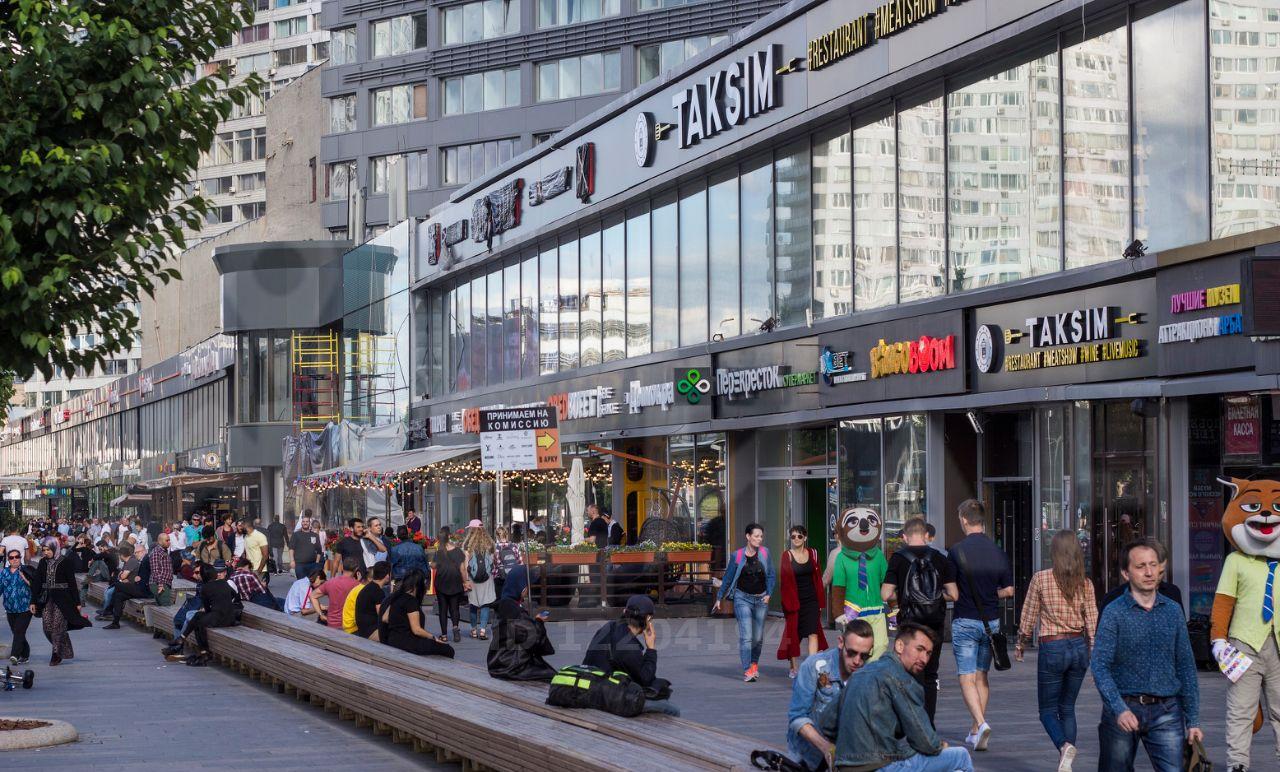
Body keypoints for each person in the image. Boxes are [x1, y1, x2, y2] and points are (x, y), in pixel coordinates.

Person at [1091, 539, 1201, 772]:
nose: (1149, 572)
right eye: (1140, 566)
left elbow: (1186, 666)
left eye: (1153, 565)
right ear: (1125, 573)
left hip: (1167, 711)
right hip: (1123, 707)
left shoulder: (1173, 610)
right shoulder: (1114, 612)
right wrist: (1118, 708)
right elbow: (1100, 665)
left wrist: (1193, 720)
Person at [817, 623, 974, 772]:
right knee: (960, 756)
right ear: (899, 646)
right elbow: (925, 740)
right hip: (881, 765)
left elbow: (826, 723)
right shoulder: (902, 679)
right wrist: (938, 746)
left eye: (928, 653)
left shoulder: (859, 675)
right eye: (919, 649)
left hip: (845, 765)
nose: (924, 659)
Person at [1211, 476, 1280, 772]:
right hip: (1244, 645)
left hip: (1278, 647)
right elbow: (1223, 602)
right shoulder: (1235, 561)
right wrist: (1218, 639)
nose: (1266, 515)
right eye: (1255, 507)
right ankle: (1238, 765)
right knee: (1240, 711)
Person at [1016, 530, 1098, 772]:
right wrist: (1095, 654)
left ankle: (1064, 746)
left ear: (1053, 552)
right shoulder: (1086, 584)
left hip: (1052, 646)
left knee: (1047, 710)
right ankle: (1066, 758)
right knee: (1068, 707)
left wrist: (1020, 643)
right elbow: (1092, 622)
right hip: (1078, 647)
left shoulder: (1041, 579)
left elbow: (1029, 615)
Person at [948, 498, 1014, 751]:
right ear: (982, 520)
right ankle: (976, 730)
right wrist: (991, 595)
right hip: (991, 623)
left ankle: (980, 723)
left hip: (965, 619)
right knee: (982, 676)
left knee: (966, 677)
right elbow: (1008, 590)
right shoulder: (998, 551)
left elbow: (952, 593)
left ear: (964, 520)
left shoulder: (956, 552)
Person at [882, 517, 959, 724]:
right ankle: (928, 723)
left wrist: (907, 597)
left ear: (905, 536)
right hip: (934, 624)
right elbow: (954, 594)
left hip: (910, 625)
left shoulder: (898, 558)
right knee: (931, 674)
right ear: (926, 535)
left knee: (909, 672)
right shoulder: (941, 559)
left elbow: (885, 593)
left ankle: (911, 721)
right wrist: (932, 597)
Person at [786, 620, 876, 771]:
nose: (857, 661)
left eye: (864, 656)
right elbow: (796, 717)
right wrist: (826, 747)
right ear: (841, 643)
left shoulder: (869, 675)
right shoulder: (814, 666)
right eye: (852, 653)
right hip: (806, 756)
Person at [583, 594, 680, 716]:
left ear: (625, 612)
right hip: (605, 697)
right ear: (648, 619)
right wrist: (651, 648)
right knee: (672, 710)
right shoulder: (628, 645)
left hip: (592, 688)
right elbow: (645, 679)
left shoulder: (609, 627)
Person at [713, 522, 776, 682]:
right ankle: (747, 670)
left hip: (761, 598)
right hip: (742, 598)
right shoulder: (737, 555)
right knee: (747, 636)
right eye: (756, 536)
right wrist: (719, 597)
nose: (759, 539)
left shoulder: (765, 553)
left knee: (758, 637)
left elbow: (771, 575)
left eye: (761, 536)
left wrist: (769, 594)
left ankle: (754, 664)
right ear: (748, 537)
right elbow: (727, 578)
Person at [829, 507, 890, 661]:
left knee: (881, 644)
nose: (863, 525)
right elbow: (838, 587)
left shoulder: (878, 556)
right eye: (853, 521)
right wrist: (838, 612)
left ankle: (866, 671)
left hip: (876, 610)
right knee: (856, 648)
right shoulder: (842, 558)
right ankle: (857, 675)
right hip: (853, 612)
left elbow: (887, 581)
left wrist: (895, 605)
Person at [778, 525, 828, 680]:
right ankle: (793, 667)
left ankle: (811, 668)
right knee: (794, 635)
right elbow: (784, 582)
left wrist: (820, 600)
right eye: (793, 536)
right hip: (794, 601)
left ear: (805, 538)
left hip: (811, 600)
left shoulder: (813, 553)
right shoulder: (787, 556)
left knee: (813, 632)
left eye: (799, 536)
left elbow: (818, 577)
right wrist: (787, 605)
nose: (796, 539)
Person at [169, 561, 242, 665]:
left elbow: (209, 608)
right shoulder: (222, 583)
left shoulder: (211, 587)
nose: (218, 574)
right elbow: (234, 596)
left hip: (223, 617)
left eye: (199, 573)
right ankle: (185, 641)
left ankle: (201, 650)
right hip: (226, 615)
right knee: (197, 616)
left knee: (198, 622)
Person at [32, 541, 86, 665]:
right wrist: (33, 601)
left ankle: (55, 654)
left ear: (54, 548)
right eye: (44, 550)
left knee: (57, 626)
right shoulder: (42, 562)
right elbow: (37, 582)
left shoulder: (65, 562)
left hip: (63, 598)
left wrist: (77, 602)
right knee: (47, 627)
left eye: (48, 550)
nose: (46, 552)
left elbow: (72, 582)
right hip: (47, 598)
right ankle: (64, 648)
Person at [380, 568, 455, 657]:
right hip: (407, 643)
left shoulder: (396, 597)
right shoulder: (411, 601)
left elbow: (384, 618)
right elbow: (416, 630)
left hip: (393, 640)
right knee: (449, 650)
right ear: (418, 586)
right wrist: (433, 637)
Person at [1099, 537, 1183, 611]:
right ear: (1126, 573)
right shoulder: (1112, 601)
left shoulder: (1173, 594)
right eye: (1141, 566)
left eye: (1161, 572)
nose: (1151, 574)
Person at [487, 597, 557, 682]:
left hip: (496, 668)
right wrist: (539, 621)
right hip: (514, 668)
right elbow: (537, 640)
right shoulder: (518, 623)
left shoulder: (500, 623)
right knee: (553, 676)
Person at [462, 522, 497, 640]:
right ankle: (482, 630)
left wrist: (466, 580)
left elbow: (466, 563)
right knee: (485, 604)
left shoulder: (468, 545)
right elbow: (492, 561)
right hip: (487, 578)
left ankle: (473, 630)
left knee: (473, 604)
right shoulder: (490, 544)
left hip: (472, 579)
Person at [433, 528, 467, 642]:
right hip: (455, 581)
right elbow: (462, 569)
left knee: (443, 609)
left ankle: (444, 635)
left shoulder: (439, 552)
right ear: (449, 537)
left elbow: (433, 566)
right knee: (454, 608)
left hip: (441, 582)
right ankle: (455, 628)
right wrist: (465, 582)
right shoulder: (458, 551)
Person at [104, 543, 149, 629]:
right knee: (119, 596)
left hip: (144, 590)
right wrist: (135, 579)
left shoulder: (147, 560)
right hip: (138, 587)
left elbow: (151, 574)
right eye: (135, 553)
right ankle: (115, 622)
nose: (135, 554)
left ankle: (109, 609)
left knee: (118, 585)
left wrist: (140, 578)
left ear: (143, 551)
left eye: (137, 552)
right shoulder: (142, 560)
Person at [1, 548, 34, 664]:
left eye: (17, 557)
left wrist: (25, 578)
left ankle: (14, 655)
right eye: (11, 557)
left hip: (26, 607)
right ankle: (25, 654)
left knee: (19, 631)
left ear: (20, 558)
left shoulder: (27, 570)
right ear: (8, 560)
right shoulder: (4, 572)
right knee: (17, 632)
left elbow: (36, 586)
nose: (14, 559)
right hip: (10, 608)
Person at [311, 557, 362, 629]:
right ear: (356, 569)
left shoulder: (331, 582)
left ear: (341, 567)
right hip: (349, 626)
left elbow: (313, 596)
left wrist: (321, 614)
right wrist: (359, 581)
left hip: (332, 624)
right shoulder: (357, 586)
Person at [354, 561, 390, 639]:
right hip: (371, 632)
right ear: (387, 575)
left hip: (363, 630)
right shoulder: (377, 591)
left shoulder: (368, 587)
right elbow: (382, 615)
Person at [291, 516, 324, 580]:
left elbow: (319, 551)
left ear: (309, 523)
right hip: (299, 565)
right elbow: (291, 548)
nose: (305, 523)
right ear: (301, 523)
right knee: (301, 583)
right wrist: (292, 560)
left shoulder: (315, 535)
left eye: (307, 521)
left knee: (311, 583)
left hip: (312, 564)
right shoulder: (296, 535)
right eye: (303, 521)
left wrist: (316, 563)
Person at [147, 532, 174, 606]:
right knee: (166, 607)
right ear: (160, 541)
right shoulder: (156, 552)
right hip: (160, 584)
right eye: (166, 540)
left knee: (161, 607)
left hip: (164, 583)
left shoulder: (163, 551)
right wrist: (160, 584)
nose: (169, 542)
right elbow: (155, 570)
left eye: (169, 540)